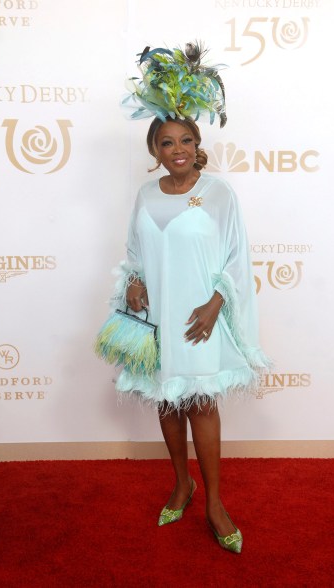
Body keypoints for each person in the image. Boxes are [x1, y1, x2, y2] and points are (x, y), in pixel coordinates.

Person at [108, 43, 270, 554]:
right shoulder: (145, 194)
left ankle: (215, 501)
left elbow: (235, 258)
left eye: (184, 140)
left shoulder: (219, 193)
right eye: (164, 142)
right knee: (167, 403)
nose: (175, 149)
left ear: (197, 144)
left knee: (201, 404)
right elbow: (135, 252)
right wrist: (133, 282)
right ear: (154, 151)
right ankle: (182, 483)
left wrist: (216, 304)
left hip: (198, 318)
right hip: (157, 318)